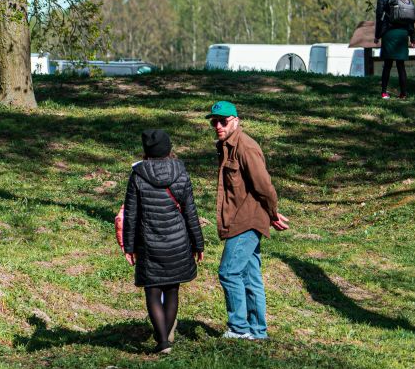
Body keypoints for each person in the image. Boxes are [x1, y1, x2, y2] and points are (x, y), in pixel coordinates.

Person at [206, 101, 289, 340]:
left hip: (247, 220)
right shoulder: (226, 146)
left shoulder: (245, 147)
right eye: (214, 122)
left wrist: (272, 213)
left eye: (223, 121)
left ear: (236, 120)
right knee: (250, 276)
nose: (218, 126)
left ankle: (239, 328)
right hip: (239, 219)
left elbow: (264, 186)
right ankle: (257, 331)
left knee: (229, 273)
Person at [119, 129, 204, 354]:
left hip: (149, 244)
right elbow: (190, 213)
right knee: (172, 290)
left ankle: (163, 341)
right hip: (178, 242)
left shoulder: (138, 176)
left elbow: (131, 215)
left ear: (146, 151)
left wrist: (128, 246)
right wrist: (198, 243)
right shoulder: (181, 172)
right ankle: (166, 336)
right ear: (168, 149)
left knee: (153, 291)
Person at [373, 0, 415, 99]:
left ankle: (384, 92)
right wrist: (413, 38)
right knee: (400, 65)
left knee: (387, 64)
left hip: (389, 33)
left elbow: (379, 18)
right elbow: (411, 20)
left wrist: (377, 35)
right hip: (403, 34)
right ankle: (403, 93)